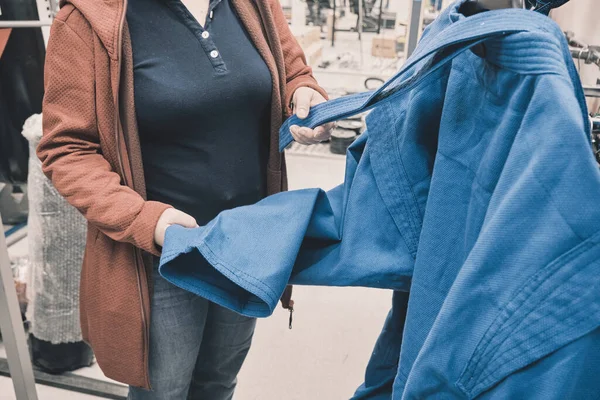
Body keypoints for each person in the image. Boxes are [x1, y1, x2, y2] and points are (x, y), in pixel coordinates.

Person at [37, 0, 332, 398]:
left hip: (247, 242)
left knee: (217, 382)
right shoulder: (91, 19)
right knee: (164, 391)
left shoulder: (252, 4)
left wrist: (305, 94)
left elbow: (291, 70)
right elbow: (67, 149)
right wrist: (144, 220)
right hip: (165, 256)